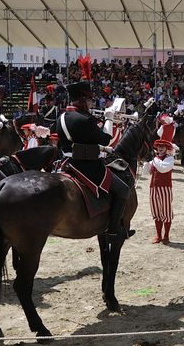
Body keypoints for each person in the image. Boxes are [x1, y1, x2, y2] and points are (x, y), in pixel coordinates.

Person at [57, 79, 134, 244]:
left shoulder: (62, 117)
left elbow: (84, 141)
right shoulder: (85, 120)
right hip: (87, 166)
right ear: (83, 99)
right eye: (90, 100)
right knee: (123, 190)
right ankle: (114, 230)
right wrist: (109, 118)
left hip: (67, 163)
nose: (92, 103)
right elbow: (106, 138)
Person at [144, 139, 176, 244]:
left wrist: (153, 159)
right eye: (159, 146)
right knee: (156, 211)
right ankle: (158, 235)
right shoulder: (155, 159)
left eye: (163, 146)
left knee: (166, 212)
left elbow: (163, 168)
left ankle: (166, 236)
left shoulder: (170, 159)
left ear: (167, 149)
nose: (160, 148)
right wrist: (145, 162)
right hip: (153, 188)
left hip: (165, 188)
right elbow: (147, 172)